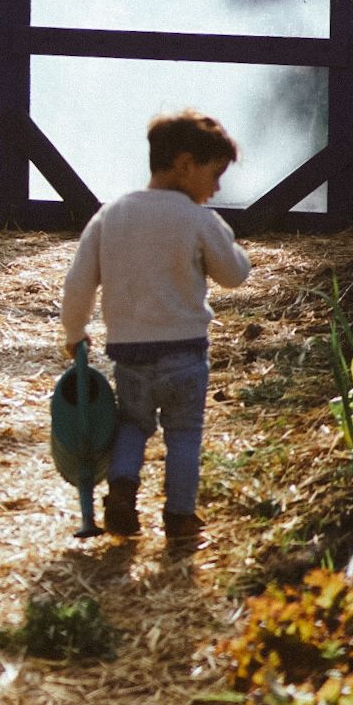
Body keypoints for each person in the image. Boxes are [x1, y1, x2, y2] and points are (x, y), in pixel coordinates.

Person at [61, 109, 251, 540]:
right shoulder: (199, 220)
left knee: (133, 424)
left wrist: (74, 334)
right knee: (184, 434)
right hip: (185, 353)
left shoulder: (111, 215)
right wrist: (233, 246)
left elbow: (77, 285)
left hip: (130, 354)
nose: (217, 186)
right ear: (185, 164)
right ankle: (179, 516)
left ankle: (123, 494)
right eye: (215, 174)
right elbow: (234, 275)